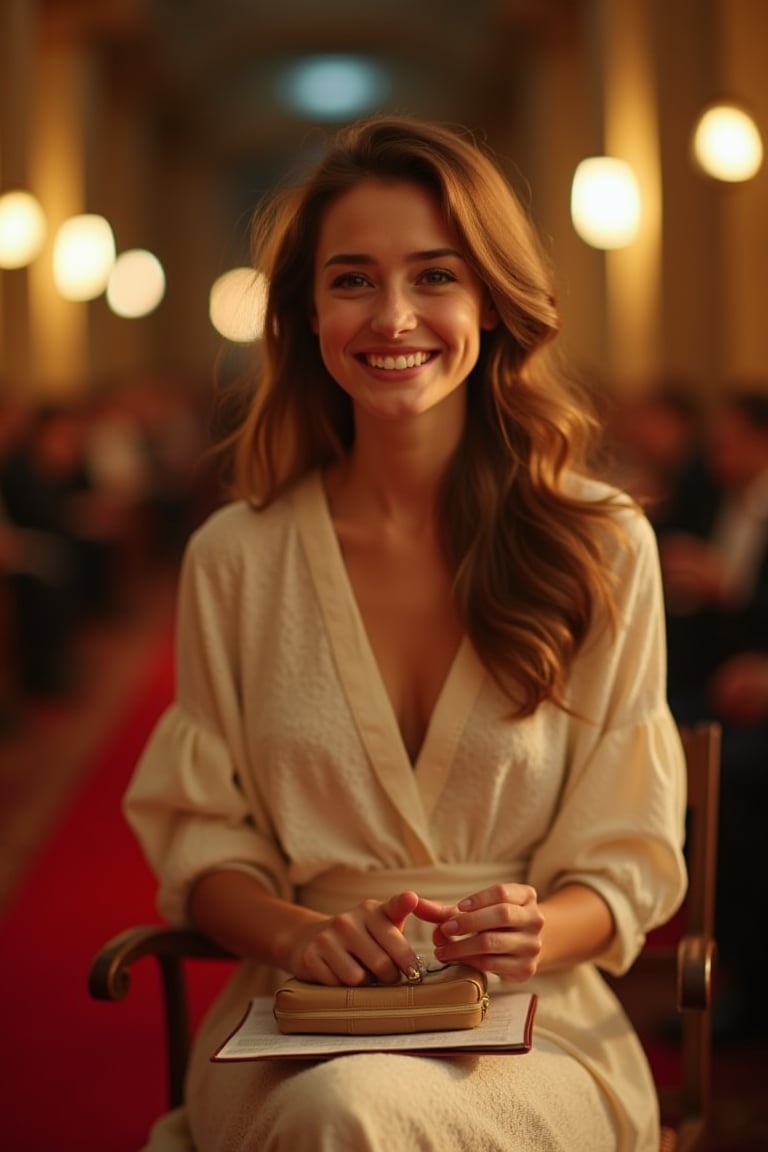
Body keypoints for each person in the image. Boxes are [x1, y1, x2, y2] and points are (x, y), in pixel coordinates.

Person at [123, 114, 687, 1152]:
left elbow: (629, 861)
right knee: (340, 1108)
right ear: (304, 312)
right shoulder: (235, 560)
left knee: (353, 1121)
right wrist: (301, 933)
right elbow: (204, 841)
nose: (393, 317)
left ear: (492, 302)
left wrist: (533, 929)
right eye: (352, 280)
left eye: (435, 276)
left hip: (537, 1024)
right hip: (303, 1020)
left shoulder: (601, 545)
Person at [657, 386, 768, 1044]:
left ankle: (748, 976)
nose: (715, 454)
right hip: (723, 691)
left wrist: (727, 590)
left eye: (729, 443)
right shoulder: (713, 494)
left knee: (721, 786)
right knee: (652, 741)